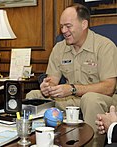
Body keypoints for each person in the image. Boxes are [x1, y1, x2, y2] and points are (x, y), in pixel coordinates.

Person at [40, 3, 117, 147]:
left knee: (90, 99)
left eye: (68, 26)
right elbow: (52, 80)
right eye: (62, 26)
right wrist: (47, 87)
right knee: (33, 95)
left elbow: (109, 87)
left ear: (84, 24)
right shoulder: (59, 48)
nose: (63, 30)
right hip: (71, 99)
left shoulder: (104, 46)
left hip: (106, 100)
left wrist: (73, 89)